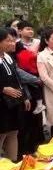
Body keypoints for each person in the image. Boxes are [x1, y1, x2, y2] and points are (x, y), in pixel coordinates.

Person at [0, 28, 30, 161]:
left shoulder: (9, 57)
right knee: (2, 134)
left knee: (13, 132)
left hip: (13, 102)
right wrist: (2, 89)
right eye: (8, 41)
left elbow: (16, 79)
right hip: (2, 103)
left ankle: (12, 164)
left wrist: (24, 97)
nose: (13, 44)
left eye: (14, 41)